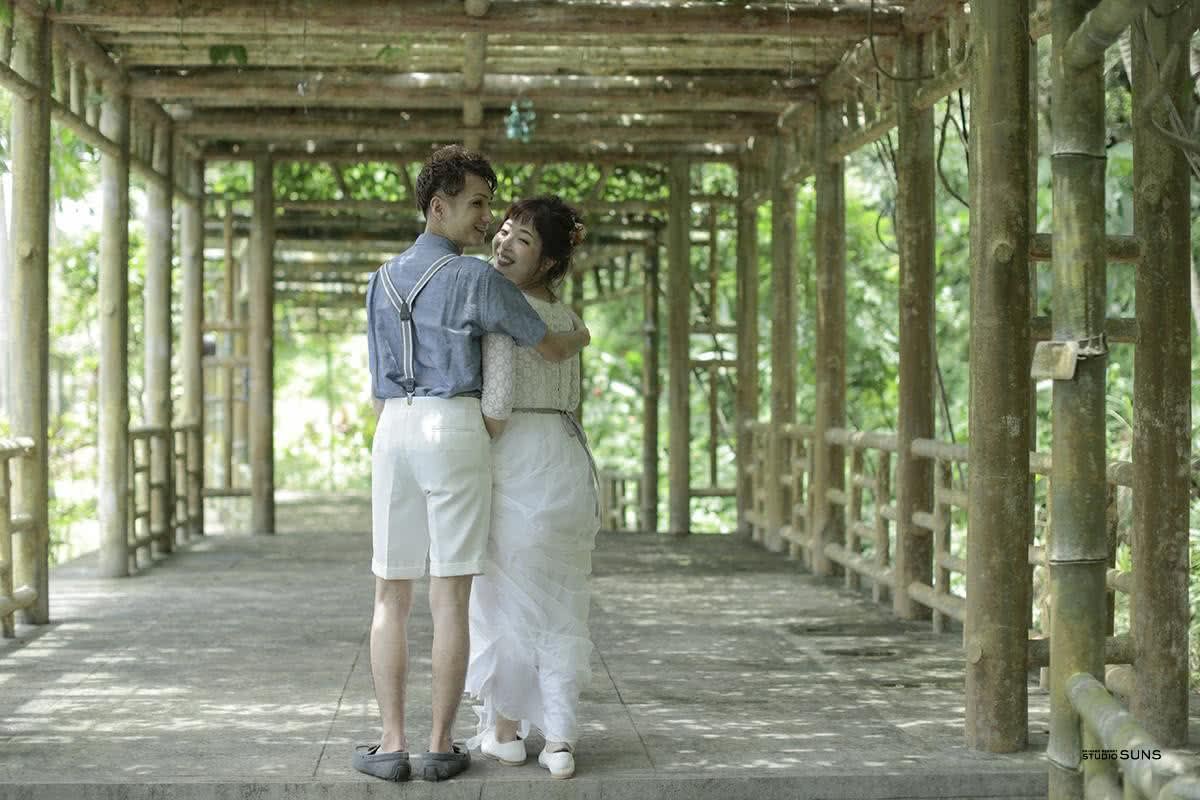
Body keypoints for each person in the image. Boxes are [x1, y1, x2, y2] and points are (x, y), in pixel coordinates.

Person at [353, 147, 590, 783]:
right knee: (451, 595)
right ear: (440, 207)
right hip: (453, 425)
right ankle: (439, 745)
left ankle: (390, 744)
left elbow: (375, 385)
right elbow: (547, 343)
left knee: (389, 594)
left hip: (393, 427)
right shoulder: (478, 280)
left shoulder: (381, 279)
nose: (488, 219)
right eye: (479, 204)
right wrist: (580, 335)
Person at [465, 196, 601, 780]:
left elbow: (496, 405)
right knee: (562, 601)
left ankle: (505, 733)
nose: (503, 242)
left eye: (521, 239)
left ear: (546, 261)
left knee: (504, 598)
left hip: (515, 454)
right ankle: (561, 740)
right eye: (503, 230)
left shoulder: (501, 306)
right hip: (566, 458)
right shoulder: (568, 318)